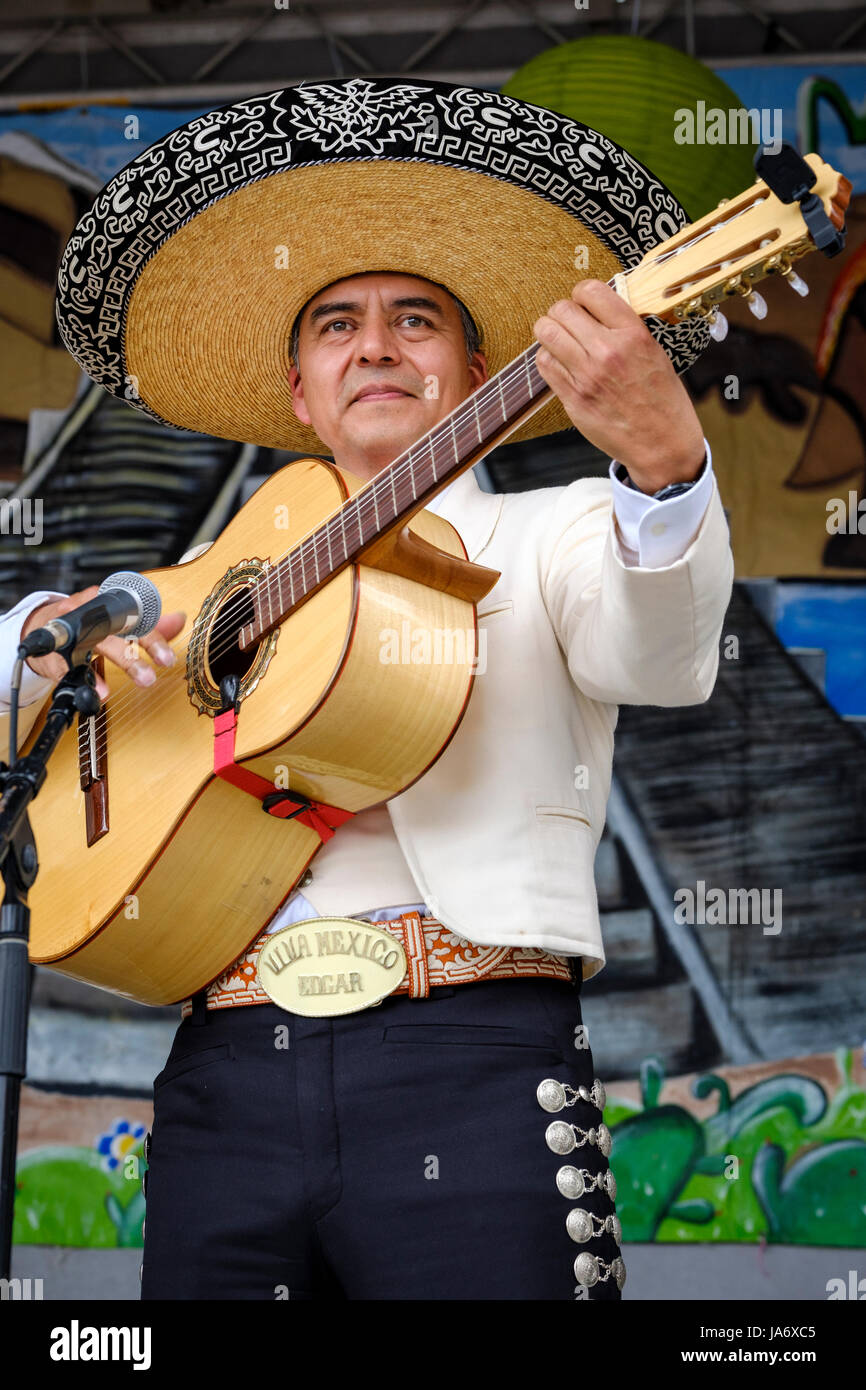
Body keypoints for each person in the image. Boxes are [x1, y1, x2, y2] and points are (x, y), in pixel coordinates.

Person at [0, 77, 734, 1300]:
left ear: (482, 368)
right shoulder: (214, 574)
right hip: (222, 1066)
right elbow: (33, 680)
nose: (376, 345)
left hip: (469, 1047)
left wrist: (664, 465)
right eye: (335, 325)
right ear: (299, 394)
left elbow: (661, 654)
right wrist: (39, 632)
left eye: (415, 320)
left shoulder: (557, 533)